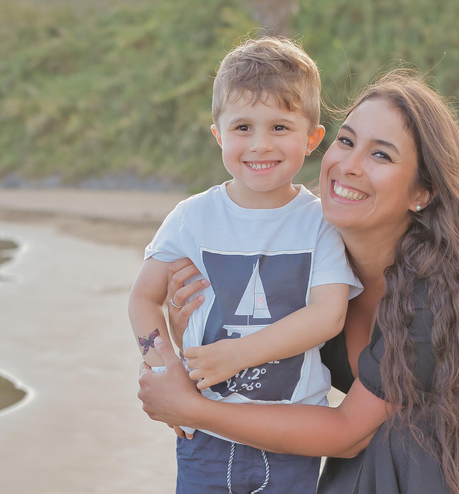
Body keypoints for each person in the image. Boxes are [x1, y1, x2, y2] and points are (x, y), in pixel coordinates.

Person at [138, 69, 459, 494]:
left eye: (381, 154)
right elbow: (243, 351)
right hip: (384, 424)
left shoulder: (434, 293)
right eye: (346, 141)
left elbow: (348, 433)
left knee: (409, 441)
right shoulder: (311, 251)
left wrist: (192, 409)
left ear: (421, 193)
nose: (348, 165)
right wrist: (185, 334)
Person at [128, 36, 361, 494]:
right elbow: (144, 297)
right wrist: (165, 370)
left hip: (291, 431)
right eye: (242, 128)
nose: (260, 145)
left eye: (279, 127)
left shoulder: (319, 223)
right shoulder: (192, 218)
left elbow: (328, 314)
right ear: (218, 134)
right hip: (204, 437)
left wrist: (237, 354)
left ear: (312, 138)